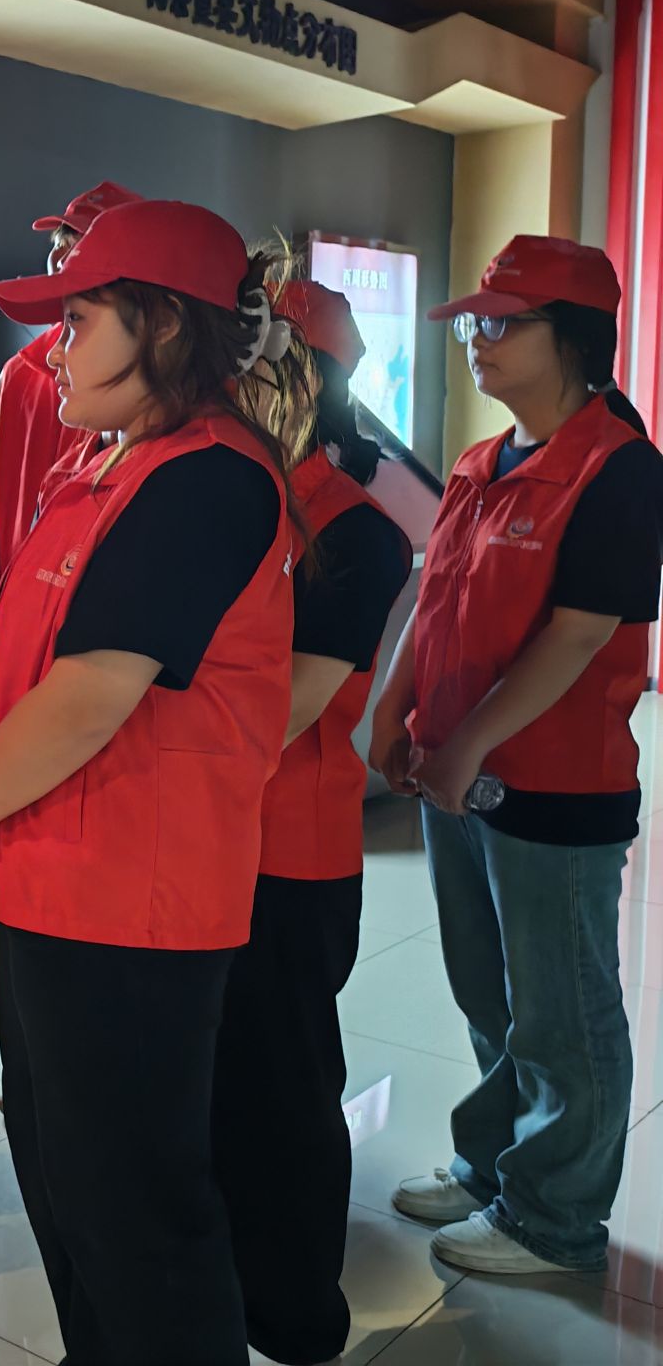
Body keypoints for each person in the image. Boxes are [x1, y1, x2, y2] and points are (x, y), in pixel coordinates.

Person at [0, 200, 298, 1362]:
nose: (52, 350)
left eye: (78, 319)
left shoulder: (208, 479)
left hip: (134, 908)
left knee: (135, 1209)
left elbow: (92, 692)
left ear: (164, 327)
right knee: (60, 1171)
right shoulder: (96, 466)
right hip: (50, 884)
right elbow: (13, 650)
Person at [368, 236, 660, 1275]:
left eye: (500, 324)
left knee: (561, 1010)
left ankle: (555, 1216)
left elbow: (577, 636)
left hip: (552, 787)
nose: (476, 343)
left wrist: (467, 746)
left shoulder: (618, 470)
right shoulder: (478, 463)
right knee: (488, 995)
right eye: (472, 325)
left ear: (570, 338)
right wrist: (393, 709)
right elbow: (433, 599)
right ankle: (499, 1166)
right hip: (455, 772)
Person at [212, 280, 411, 1363]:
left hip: (291, 853)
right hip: (204, 841)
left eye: (247, 365)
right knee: (215, 1081)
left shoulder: (354, 534)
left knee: (284, 1086)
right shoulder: (222, 497)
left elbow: (285, 710)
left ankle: (293, 1311)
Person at [0, 179, 142, 1040]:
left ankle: (50, 999)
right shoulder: (25, 374)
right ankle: (21, 989)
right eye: (58, 246)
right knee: (16, 812)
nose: (61, 260)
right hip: (22, 622)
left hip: (88, 645)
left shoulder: (189, 461)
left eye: (79, 247)